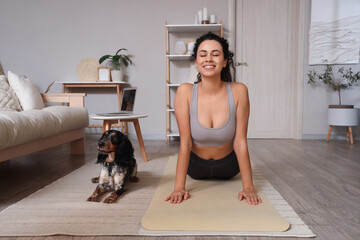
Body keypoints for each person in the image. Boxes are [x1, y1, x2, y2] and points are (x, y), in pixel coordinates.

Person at [165, 32, 262, 205]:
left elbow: (240, 142)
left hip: (229, 167)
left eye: (215, 54)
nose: (208, 59)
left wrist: (248, 188)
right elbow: (185, 143)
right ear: (196, 62)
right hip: (195, 167)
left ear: (225, 62)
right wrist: (179, 187)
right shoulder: (185, 92)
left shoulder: (239, 91)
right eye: (203, 54)